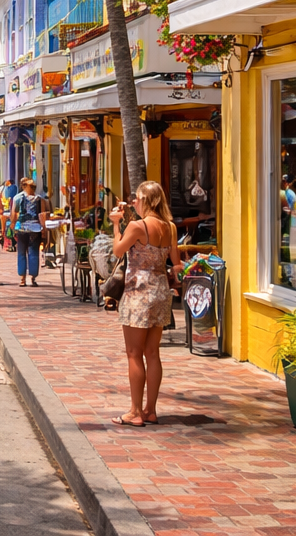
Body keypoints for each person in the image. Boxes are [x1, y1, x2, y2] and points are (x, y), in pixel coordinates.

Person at [110, 181, 182, 427]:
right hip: (160, 291)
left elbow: (118, 251)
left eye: (137, 199)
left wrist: (116, 225)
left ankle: (135, 411)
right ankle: (150, 409)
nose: (134, 203)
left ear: (145, 201)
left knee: (133, 353)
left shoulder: (137, 226)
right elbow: (176, 262)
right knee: (152, 353)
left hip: (138, 292)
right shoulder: (170, 227)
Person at [11, 179, 47, 287]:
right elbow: (42, 215)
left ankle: (22, 278)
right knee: (34, 252)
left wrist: (13, 225)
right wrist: (44, 230)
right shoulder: (40, 199)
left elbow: (14, 214)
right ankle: (33, 278)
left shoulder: (18, 198)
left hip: (22, 228)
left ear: (24, 187)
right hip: (35, 229)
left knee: (21, 252)